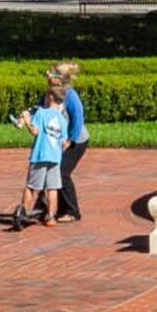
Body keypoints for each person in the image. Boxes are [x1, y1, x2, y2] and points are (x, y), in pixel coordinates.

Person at [13, 89, 67, 230]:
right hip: (55, 158)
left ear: (50, 97)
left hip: (40, 155)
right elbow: (63, 141)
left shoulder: (41, 113)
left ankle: (22, 214)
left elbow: (34, 131)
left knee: (31, 186)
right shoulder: (62, 119)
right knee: (52, 188)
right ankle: (51, 217)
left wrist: (26, 119)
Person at [49, 62, 90, 224]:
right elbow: (39, 107)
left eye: (51, 74)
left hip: (76, 140)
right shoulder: (51, 92)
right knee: (53, 171)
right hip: (61, 140)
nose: (47, 76)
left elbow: (78, 119)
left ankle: (73, 211)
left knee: (61, 172)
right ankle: (56, 208)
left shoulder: (70, 95)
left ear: (59, 79)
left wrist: (70, 140)